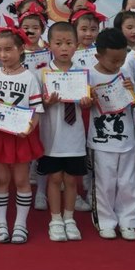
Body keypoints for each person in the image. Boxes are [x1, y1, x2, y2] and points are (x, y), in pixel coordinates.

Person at [0, 25, 44, 244]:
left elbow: (37, 110)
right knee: (1, 179)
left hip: (21, 137)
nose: (3, 54)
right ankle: (1, 223)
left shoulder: (30, 77)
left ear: (21, 49)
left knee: (21, 179)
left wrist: (29, 129)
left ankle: (20, 224)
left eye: (8, 49)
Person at [38, 23, 90, 242]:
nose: (64, 48)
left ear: (77, 45)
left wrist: (87, 103)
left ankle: (69, 218)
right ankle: (55, 219)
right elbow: (36, 106)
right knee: (54, 178)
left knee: (71, 180)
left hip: (74, 136)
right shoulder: (42, 74)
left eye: (69, 43)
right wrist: (47, 103)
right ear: (49, 45)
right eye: (58, 43)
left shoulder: (83, 73)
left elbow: (89, 103)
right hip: (52, 137)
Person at [87, 28, 135, 241]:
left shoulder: (125, 73)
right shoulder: (89, 75)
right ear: (98, 56)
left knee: (128, 181)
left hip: (126, 137)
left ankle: (129, 221)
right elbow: (83, 106)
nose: (118, 64)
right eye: (113, 60)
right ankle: (106, 221)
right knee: (104, 182)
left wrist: (132, 91)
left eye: (122, 59)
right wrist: (88, 99)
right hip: (100, 139)